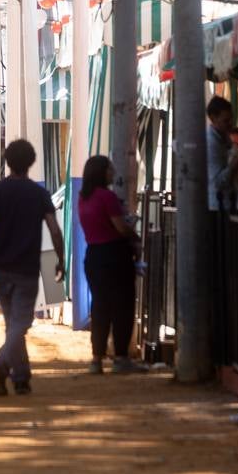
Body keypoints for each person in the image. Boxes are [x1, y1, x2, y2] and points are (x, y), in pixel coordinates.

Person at [0, 139, 66, 397]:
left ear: (7, 162)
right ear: (31, 162)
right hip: (26, 269)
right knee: (20, 324)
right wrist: (60, 259)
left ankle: (21, 378)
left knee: (13, 324)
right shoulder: (38, 194)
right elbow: (55, 230)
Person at [78, 155, 145, 375]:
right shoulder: (107, 197)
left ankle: (96, 359)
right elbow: (120, 227)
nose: (113, 173)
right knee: (122, 306)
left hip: (93, 255)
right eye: (110, 169)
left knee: (100, 306)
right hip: (115, 255)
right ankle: (121, 358)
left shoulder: (83, 198)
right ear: (102, 172)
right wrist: (135, 237)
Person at [207, 96, 238, 212]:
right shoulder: (211, 144)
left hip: (231, 203)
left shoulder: (225, 138)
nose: (230, 124)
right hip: (218, 208)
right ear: (213, 118)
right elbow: (218, 182)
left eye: (231, 119)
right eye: (226, 120)